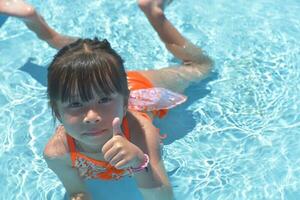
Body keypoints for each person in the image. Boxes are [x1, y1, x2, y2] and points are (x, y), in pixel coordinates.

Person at [1, 0, 212, 199]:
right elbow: (77, 192)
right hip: (110, 86)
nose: (91, 116)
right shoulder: (57, 154)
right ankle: (34, 20)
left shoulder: (142, 135)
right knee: (81, 59)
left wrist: (139, 163)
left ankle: (154, 13)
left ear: (125, 101)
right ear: (56, 111)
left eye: (103, 101)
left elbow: (164, 198)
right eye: (75, 104)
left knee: (201, 66)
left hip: (137, 84)